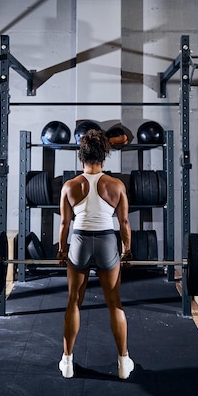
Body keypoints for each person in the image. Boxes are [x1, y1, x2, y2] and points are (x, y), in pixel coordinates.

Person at [57, 128, 134, 380]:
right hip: (106, 242)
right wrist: (127, 250)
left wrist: (61, 249)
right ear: (103, 158)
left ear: (82, 158)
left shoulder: (70, 186)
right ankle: (123, 363)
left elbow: (64, 226)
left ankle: (67, 362)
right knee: (115, 304)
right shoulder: (116, 185)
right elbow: (123, 222)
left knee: (73, 303)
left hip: (78, 241)